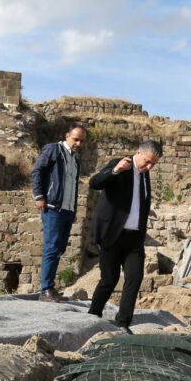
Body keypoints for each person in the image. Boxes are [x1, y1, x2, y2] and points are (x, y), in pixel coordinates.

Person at [86, 140, 162, 330]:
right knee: (109, 280)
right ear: (138, 152)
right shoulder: (120, 164)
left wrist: (144, 210)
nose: (149, 167)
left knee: (134, 277)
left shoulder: (145, 174)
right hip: (112, 234)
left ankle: (122, 324)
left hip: (134, 238)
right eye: (147, 161)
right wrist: (115, 171)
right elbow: (94, 183)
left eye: (153, 164)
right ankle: (93, 315)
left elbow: (135, 198)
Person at [30, 123, 88, 301]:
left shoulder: (75, 160)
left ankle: (50, 288)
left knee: (60, 248)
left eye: (82, 141)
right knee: (52, 247)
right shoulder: (53, 150)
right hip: (53, 207)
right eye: (76, 139)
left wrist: (73, 209)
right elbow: (37, 171)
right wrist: (39, 196)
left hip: (68, 210)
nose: (78, 143)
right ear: (67, 136)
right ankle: (45, 289)